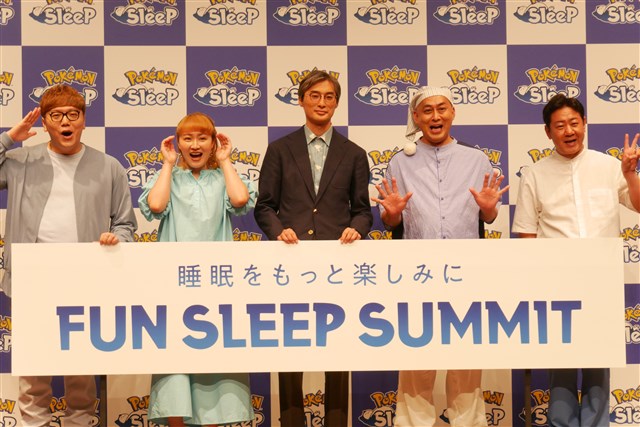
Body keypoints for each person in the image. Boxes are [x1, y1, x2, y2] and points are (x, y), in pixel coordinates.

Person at [0, 84, 137, 426]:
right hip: (32, 277)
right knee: (34, 366)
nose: (66, 121)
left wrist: (115, 239)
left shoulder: (109, 167)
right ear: (45, 122)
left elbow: (125, 224)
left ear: (84, 121)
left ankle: (81, 420)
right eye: (57, 115)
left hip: (85, 278)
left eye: (73, 115)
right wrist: (9, 138)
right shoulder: (20, 161)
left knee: (81, 366)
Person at [371, 86, 508, 427]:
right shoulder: (400, 161)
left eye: (442, 108)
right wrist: (391, 213)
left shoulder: (476, 159)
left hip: (467, 271)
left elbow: (488, 216)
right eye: (427, 110)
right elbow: (391, 221)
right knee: (417, 356)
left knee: (466, 356)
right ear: (416, 117)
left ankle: (468, 421)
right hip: (416, 272)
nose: (435, 116)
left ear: (452, 113)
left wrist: (489, 209)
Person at [512, 93, 640, 427]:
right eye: (560, 125)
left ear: (584, 124)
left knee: (599, 361)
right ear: (548, 132)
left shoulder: (609, 166)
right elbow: (526, 232)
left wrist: (630, 174)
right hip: (557, 283)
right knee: (562, 363)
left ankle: (597, 423)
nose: (569, 131)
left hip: (602, 280)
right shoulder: (535, 174)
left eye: (574, 123)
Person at [254, 70, 372, 426]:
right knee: (290, 353)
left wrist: (356, 229)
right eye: (315, 96)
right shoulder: (280, 149)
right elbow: (265, 206)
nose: (322, 102)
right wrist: (279, 232)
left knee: (338, 353)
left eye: (329, 97)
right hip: (290, 263)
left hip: (338, 265)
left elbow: (363, 211)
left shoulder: (354, 153)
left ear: (336, 102)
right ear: (301, 100)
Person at [138, 112, 257, 427]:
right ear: (177, 143)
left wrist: (225, 160)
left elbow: (240, 199)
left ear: (213, 142)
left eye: (203, 138)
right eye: (187, 138)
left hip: (216, 286)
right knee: (176, 368)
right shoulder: (170, 178)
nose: (195, 145)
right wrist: (167, 164)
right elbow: (156, 205)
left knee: (212, 366)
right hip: (173, 287)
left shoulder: (221, 178)